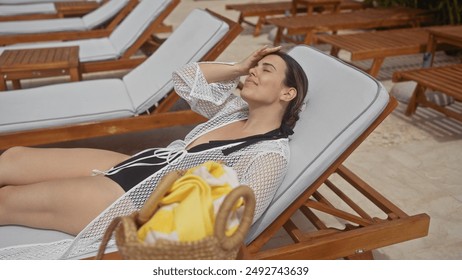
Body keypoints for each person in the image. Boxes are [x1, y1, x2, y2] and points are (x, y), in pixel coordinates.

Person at [0, 46, 308, 240]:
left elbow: (237, 224)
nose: (254, 71)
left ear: (287, 93)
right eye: (256, 66)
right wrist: (240, 67)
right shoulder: (234, 112)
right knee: (13, 157)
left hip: (133, 203)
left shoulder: (268, 154)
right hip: (138, 165)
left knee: (8, 200)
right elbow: (185, 78)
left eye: (265, 70)